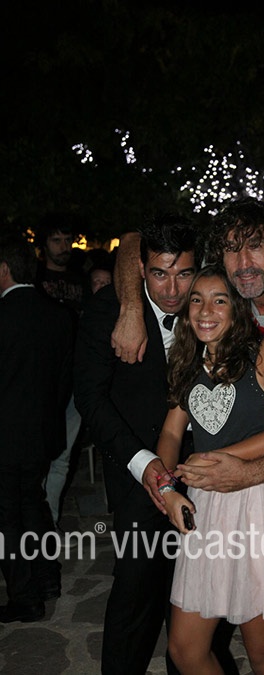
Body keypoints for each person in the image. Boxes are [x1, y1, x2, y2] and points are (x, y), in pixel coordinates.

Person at [111, 198, 264, 674]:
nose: (243, 261)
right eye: (231, 249)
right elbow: (132, 244)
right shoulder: (218, 311)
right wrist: (129, 307)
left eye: (255, 246)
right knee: (188, 644)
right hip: (218, 485)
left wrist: (235, 467)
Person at [74, 216, 237, 675]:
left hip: (206, 467)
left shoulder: (207, 305)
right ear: (141, 269)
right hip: (136, 465)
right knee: (136, 587)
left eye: (183, 274)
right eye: (160, 274)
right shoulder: (110, 309)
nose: (172, 289)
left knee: (195, 593)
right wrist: (142, 463)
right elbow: (90, 399)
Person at [155, 265, 264, 674]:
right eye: (197, 300)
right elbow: (170, 433)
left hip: (260, 501)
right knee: (185, 649)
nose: (205, 311)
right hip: (206, 503)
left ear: (238, 307)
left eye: (219, 300)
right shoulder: (188, 361)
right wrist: (167, 489)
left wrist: (217, 458)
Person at [0, 233, 72, 623]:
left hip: (7, 435)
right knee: (33, 503)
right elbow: (63, 381)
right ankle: (46, 579)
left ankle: (25, 595)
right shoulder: (58, 315)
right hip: (43, 431)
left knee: (8, 514)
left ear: (4, 269)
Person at [34, 213, 85, 525]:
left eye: (67, 240)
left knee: (63, 457)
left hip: (74, 378)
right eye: (56, 240)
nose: (64, 246)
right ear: (44, 244)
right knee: (37, 454)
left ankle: (48, 521)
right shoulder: (35, 280)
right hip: (43, 381)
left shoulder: (81, 279)